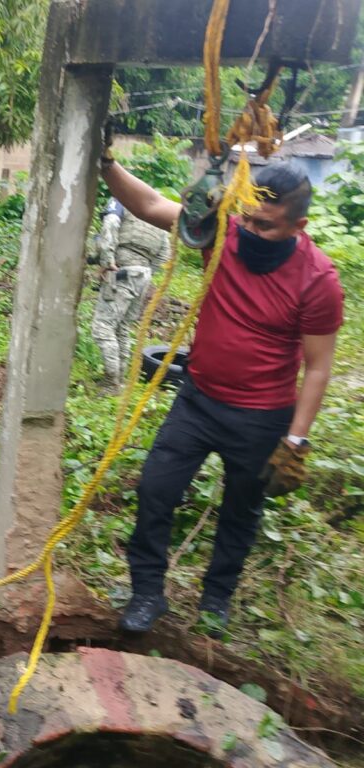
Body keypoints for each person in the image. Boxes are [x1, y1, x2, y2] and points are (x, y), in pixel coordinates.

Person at [101, 156, 344, 635]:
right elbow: (150, 205)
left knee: (240, 511)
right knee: (155, 489)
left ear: (298, 226)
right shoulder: (221, 234)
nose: (249, 230)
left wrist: (296, 441)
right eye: (246, 218)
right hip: (198, 400)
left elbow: (318, 367)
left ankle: (216, 600)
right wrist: (104, 162)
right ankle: (147, 592)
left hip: (262, 417)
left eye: (265, 226)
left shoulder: (318, 280)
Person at [90, 197, 170, 391]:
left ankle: (111, 382)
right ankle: (120, 378)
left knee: (103, 327)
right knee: (122, 327)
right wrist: (145, 270)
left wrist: (107, 260)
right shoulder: (154, 212)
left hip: (121, 272)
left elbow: (110, 223)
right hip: (143, 275)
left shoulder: (120, 200)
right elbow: (164, 254)